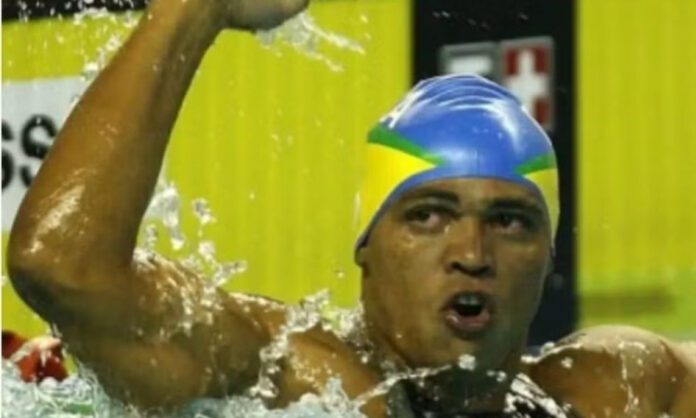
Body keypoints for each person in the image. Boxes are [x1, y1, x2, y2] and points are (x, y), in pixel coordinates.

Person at [7, 0, 695, 416]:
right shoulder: (293, 377)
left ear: (548, 256)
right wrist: (192, 11)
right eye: (428, 215)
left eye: (510, 221)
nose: (471, 253)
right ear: (367, 243)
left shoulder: (609, 390)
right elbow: (61, 267)